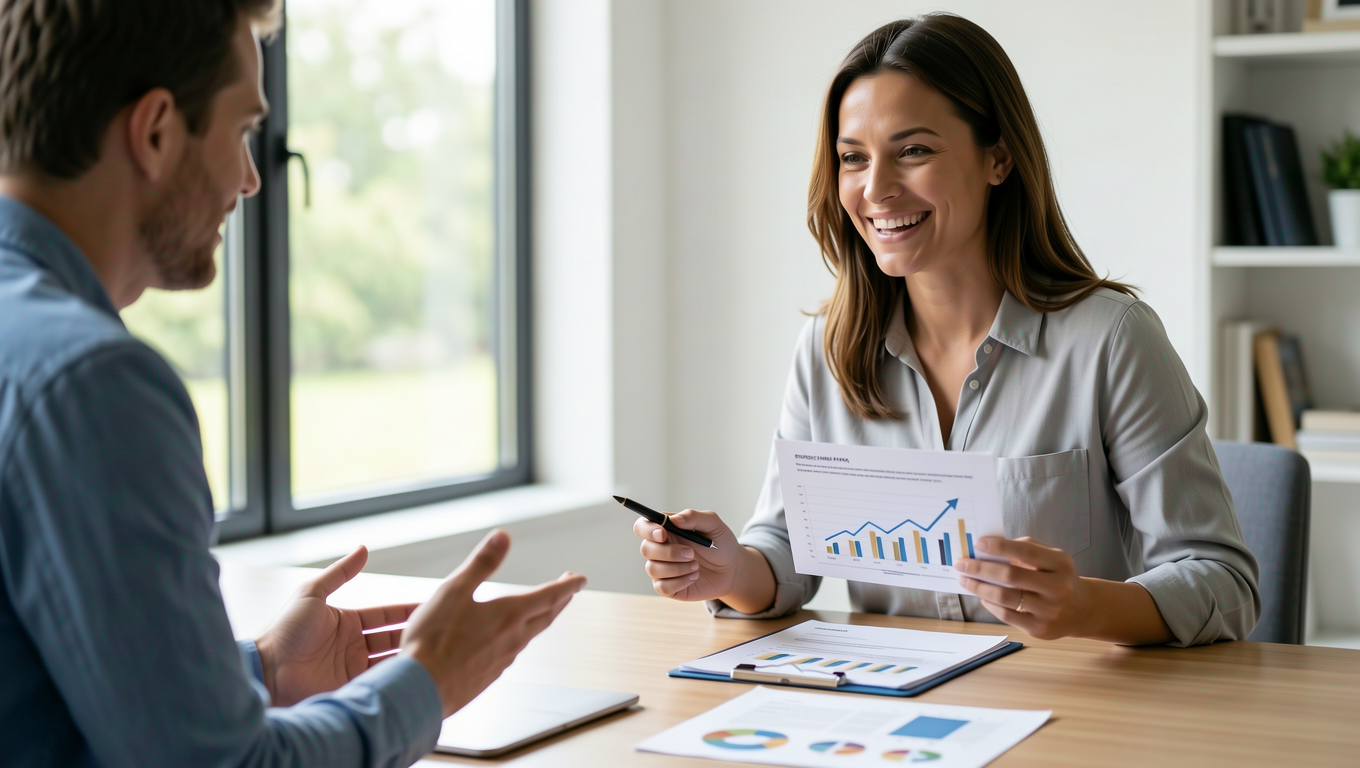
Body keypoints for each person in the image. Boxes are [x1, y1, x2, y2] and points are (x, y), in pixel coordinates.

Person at [0, 1, 584, 765]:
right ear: (154, 132)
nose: (249, 180)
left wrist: (262, 669)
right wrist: (428, 683)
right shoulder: (93, 385)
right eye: (243, 130)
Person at [634, 13, 1259, 647]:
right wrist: (728, 568)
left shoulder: (1111, 340)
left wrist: (1082, 608)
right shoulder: (827, 350)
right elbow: (787, 551)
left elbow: (1223, 582)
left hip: (1072, 719)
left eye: (913, 151)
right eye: (853, 158)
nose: (876, 189)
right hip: (897, 726)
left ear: (999, 157)